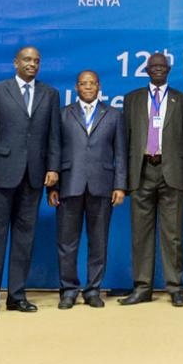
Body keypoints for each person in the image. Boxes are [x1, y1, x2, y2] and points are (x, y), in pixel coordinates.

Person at [0, 46, 60, 316]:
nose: (32, 64)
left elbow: (54, 137)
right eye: (27, 59)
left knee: (25, 238)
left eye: (37, 60)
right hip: (0, 174)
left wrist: (53, 168)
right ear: (15, 63)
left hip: (34, 176)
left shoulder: (50, 94)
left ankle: (16, 295)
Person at [48, 70, 127, 309]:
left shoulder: (113, 115)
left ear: (99, 86)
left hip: (102, 186)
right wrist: (53, 186)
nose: (88, 87)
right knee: (67, 242)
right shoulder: (63, 114)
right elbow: (54, 151)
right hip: (69, 185)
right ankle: (69, 290)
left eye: (92, 83)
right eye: (84, 83)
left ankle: (93, 290)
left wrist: (120, 185)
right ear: (77, 87)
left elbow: (121, 153)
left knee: (98, 241)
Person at [119, 53, 183, 307]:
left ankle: (175, 287)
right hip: (141, 172)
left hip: (172, 172)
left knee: (173, 235)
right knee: (141, 234)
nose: (158, 70)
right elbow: (124, 141)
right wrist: (124, 178)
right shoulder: (132, 99)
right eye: (154, 66)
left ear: (169, 69)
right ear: (147, 70)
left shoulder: (182, 100)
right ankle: (142, 287)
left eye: (162, 66)